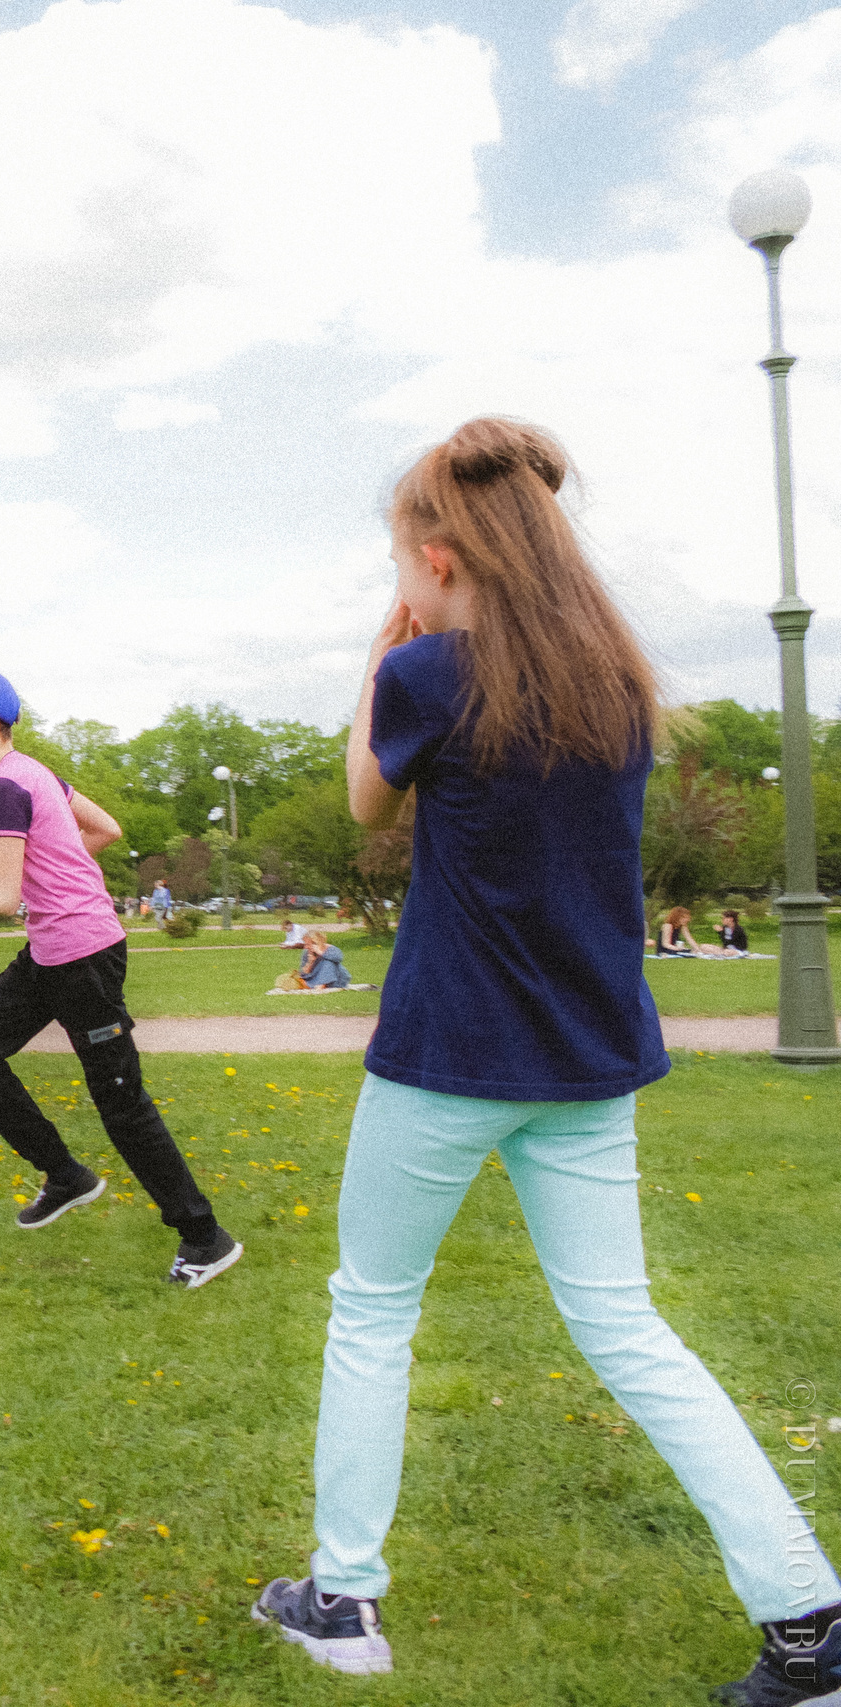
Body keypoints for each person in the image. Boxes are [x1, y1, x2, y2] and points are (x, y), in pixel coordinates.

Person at [246, 418, 841, 1694]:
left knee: (372, 1312)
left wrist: (376, 655)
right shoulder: (614, 682)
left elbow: (365, 801)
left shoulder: (423, 682)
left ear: (443, 558)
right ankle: (808, 1618)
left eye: (401, 561)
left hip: (445, 1055)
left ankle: (342, 1599)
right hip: (587, 1058)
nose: (397, 583)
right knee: (626, 1328)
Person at [0, 668, 236, 1287]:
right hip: (50, 953)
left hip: (85, 960)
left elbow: (1, 899)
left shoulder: (9, 786)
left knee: (121, 1104)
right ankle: (66, 1174)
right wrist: (60, 871)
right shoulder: (36, 773)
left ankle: (204, 1238)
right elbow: (105, 830)